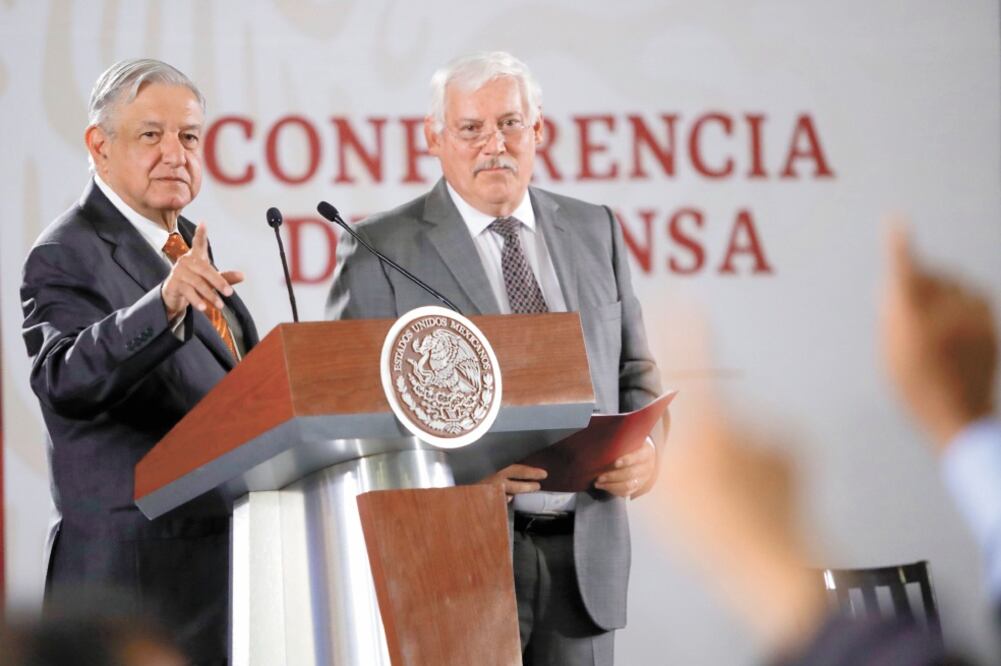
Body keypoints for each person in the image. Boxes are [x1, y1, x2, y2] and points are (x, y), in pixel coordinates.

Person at [327, 51, 663, 664]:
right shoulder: (380, 248)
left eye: (510, 124)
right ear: (434, 138)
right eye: (471, 128)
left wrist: (647, 452)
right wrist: (457, 486)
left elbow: (634, 372)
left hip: (582, 555)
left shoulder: (595, 229)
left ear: (539, 130)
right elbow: (353, 416)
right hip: (454, 559)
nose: (494, 145)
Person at [20, 58, 258, 665]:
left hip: (217, 578)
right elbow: (64, 375)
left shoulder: (178, 250)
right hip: (130, 594)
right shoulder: (66, 250)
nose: (175, 154)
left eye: (189, 137)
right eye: (151, 135)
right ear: (99, 147)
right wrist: (165, 302)